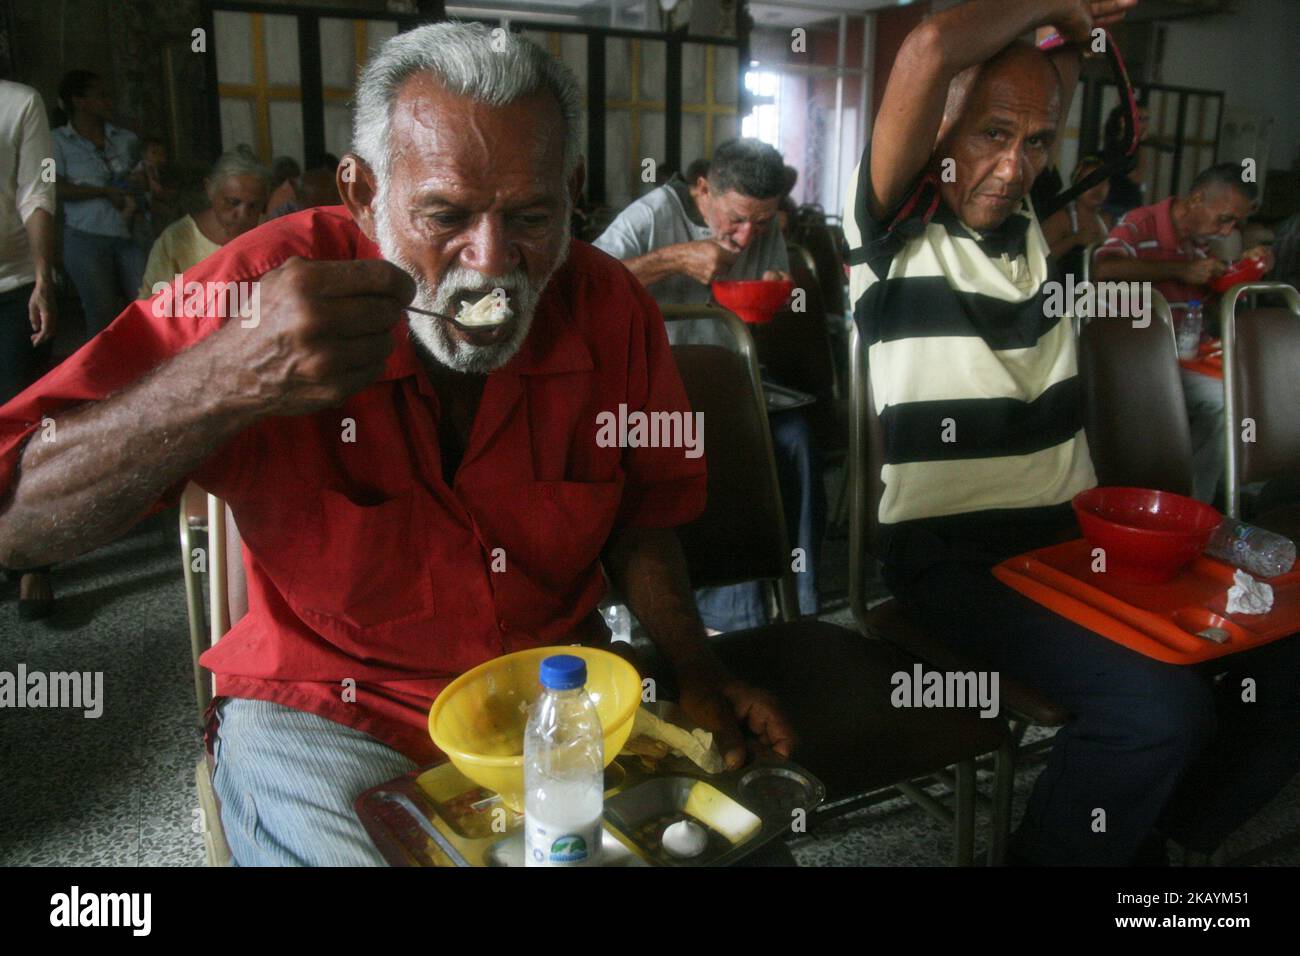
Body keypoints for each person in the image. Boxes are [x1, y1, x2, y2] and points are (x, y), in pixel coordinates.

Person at [0, 22, 805, 866]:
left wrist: (695, 669)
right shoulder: (256, 289)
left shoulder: (609, 309)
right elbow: (15, 516)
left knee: (735, 850)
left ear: (571, 192)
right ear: (360, 192)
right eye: (445, 215)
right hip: (329, 711)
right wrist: (225, 377)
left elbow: (642, 517)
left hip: (551, 697)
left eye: (531, 214)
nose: (492, 264)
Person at [847, 0, 1300, 866]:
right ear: (937, 136)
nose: (1012, 166)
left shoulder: (1027, 226)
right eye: (989, 133)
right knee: (1155, 711)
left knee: (1280, 675)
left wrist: (1079, 27)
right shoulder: (891, 238)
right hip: (951, 555)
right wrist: (1057, 3)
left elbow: (1064, 62)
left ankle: (1155, 843)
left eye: (1037, 141)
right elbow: (933, 45)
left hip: (1070, 538)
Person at [593, 138, 824, 630]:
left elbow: (770, 286)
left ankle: (799, 602)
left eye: (762, 223)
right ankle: (726, 614)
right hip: (649, 387)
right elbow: (587, 289)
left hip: (729, 377)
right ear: (703, 188)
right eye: (736, 219)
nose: (746, 236)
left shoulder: (759, 227)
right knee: (723, 440)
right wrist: (673, 260)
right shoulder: (652, 214)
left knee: (797, 438)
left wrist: (775, 286)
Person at [1093, 163, 1274, 504]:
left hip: (1185, 354)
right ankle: (1193, 502)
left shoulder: (1198, 244)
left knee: (1258, 383)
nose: (1226, 231)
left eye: (1235, 223)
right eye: (1224, 219)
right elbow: (1103, 270)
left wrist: (1246, 269)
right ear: (1197, 198)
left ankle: (1228, 484)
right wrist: (1180, 270)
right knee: (1224, 402)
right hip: (1139, 359)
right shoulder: (1140, 223)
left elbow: (1209, 298)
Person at [0, 76, 57, 619]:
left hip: (10, 283)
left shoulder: (20, 102)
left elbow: (36, 189)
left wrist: (43, 274)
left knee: (19, 428)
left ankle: (35, 558)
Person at [52, 70, 147, 340]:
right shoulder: (55, 142)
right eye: (101, 95)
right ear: (79, 101)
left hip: (130, 234)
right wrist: (103, 191)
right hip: (86, 237)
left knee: (147, 302)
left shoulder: (125, 138)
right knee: (101, 312)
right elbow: (52, 186)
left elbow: (147, 173)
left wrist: (141, 182)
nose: (109, 101)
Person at [138, 149, 270, 296]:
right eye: (232, 202)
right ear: (210, 190)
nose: (243, 215)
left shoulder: (272, 236)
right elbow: (152, 309)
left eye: (254, 206)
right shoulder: (175, 242)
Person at [1040, 153, 1110, 278]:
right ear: (1077, 184)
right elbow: (1038, 260)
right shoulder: (1062, 218)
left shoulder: (1108, 220)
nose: (1097, 188)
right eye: (1089, 181)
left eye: (1102, 181)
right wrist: (1074, 240)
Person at [1100, 101, 1151, 222]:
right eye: (1139, 119)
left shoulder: (1132, 145)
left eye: (1146, 119)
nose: (1143, 124)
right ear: (1123, 121)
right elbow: (1138, 177)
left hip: (1129, 205)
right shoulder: (1117, 146)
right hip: (1115, 207)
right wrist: (1142, 144)